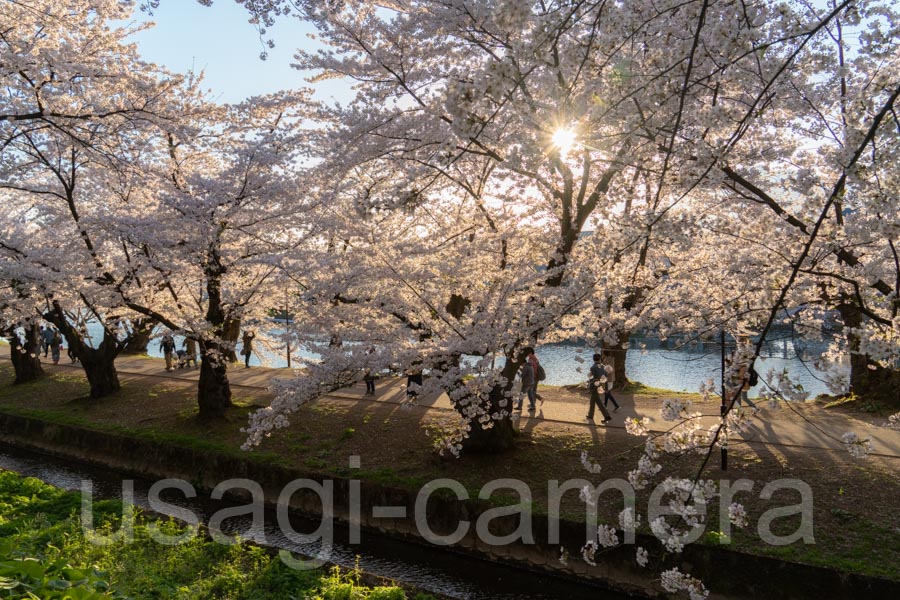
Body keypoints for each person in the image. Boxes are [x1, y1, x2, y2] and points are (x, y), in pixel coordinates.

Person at [586, 353, 612, 424]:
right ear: (600, 359)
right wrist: (606, 388)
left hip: (595, 387)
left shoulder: (593, 368)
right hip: (601, 386)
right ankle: (590, 415)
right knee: (592, 401)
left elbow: (592, 379)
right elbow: (606, 378)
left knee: (599, 402)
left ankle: (607, 416)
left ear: (593, 359)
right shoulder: (603, 367)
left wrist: (589, 387)